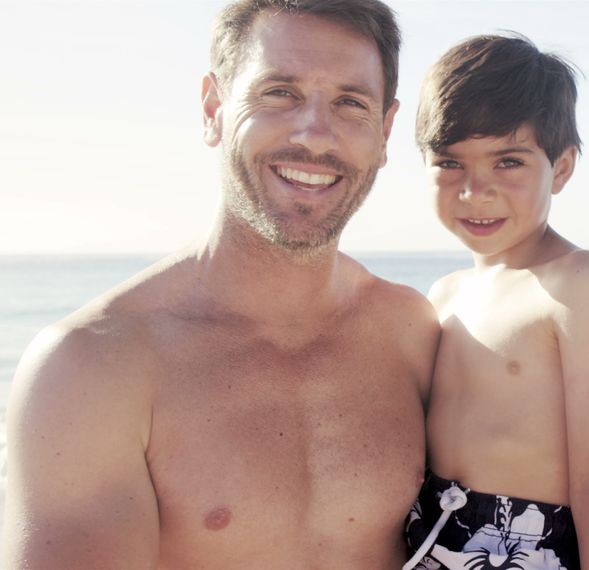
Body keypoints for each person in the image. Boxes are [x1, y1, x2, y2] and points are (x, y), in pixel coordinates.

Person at [1, 1, 440, 568]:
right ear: (213, 108)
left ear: (384, 132)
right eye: (280, 92)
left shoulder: (413, 333)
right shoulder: (93, 368)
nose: (316, 135)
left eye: (350, 103)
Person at [402, 34, 589, 569]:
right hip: (430, 538)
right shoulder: (445, 294)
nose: (475, 190)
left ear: (564, 166)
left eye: (508, 162)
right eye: (449, 163)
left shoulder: (577, 282)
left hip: (527, 547)